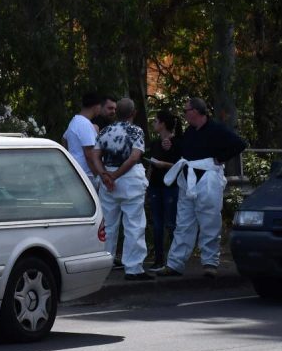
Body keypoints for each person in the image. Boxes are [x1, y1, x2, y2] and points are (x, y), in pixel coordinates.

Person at [155, 97, 247, 278]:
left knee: (209, 221)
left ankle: (210, 263)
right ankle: (175, 264)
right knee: (183, 222)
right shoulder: (190, 131)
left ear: (195, 112)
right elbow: (183, 150)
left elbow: (240, 144)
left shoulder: (216, 129)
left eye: (186, 110)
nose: (184, 114)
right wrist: (170, 144)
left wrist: (220, 158)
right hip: (189, 179)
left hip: (208, 178)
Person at [91, 98, 152, 281]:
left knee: (108, 225)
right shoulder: (136, 131)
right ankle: (133, 267)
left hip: (108, 180)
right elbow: (134, 157)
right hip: (129, 179)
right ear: (133, 113)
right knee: (134, 223)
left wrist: (104, 175)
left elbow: (95, 155)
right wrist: (115, 176)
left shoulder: (105, 131)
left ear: (117, 113)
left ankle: (104, 264)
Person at [145, 110, 182, 269]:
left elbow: (181, 165)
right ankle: (159, 259)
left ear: (163, 124)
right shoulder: (154, 143)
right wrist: (146, 184)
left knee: (171, 222)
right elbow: (150, 167)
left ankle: (174, 260)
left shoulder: (177, 143)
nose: (153, 124)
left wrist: (163, 164)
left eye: (155, 121)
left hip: (171, 187)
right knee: (157, 223)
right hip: (155, 186)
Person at [63, 92, 102, 184]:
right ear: (96, 106)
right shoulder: (85, 124)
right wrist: (98, 175)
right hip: (87, 175)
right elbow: (89, 154)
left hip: (77, 171)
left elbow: (64, 138)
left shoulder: (75, 120)